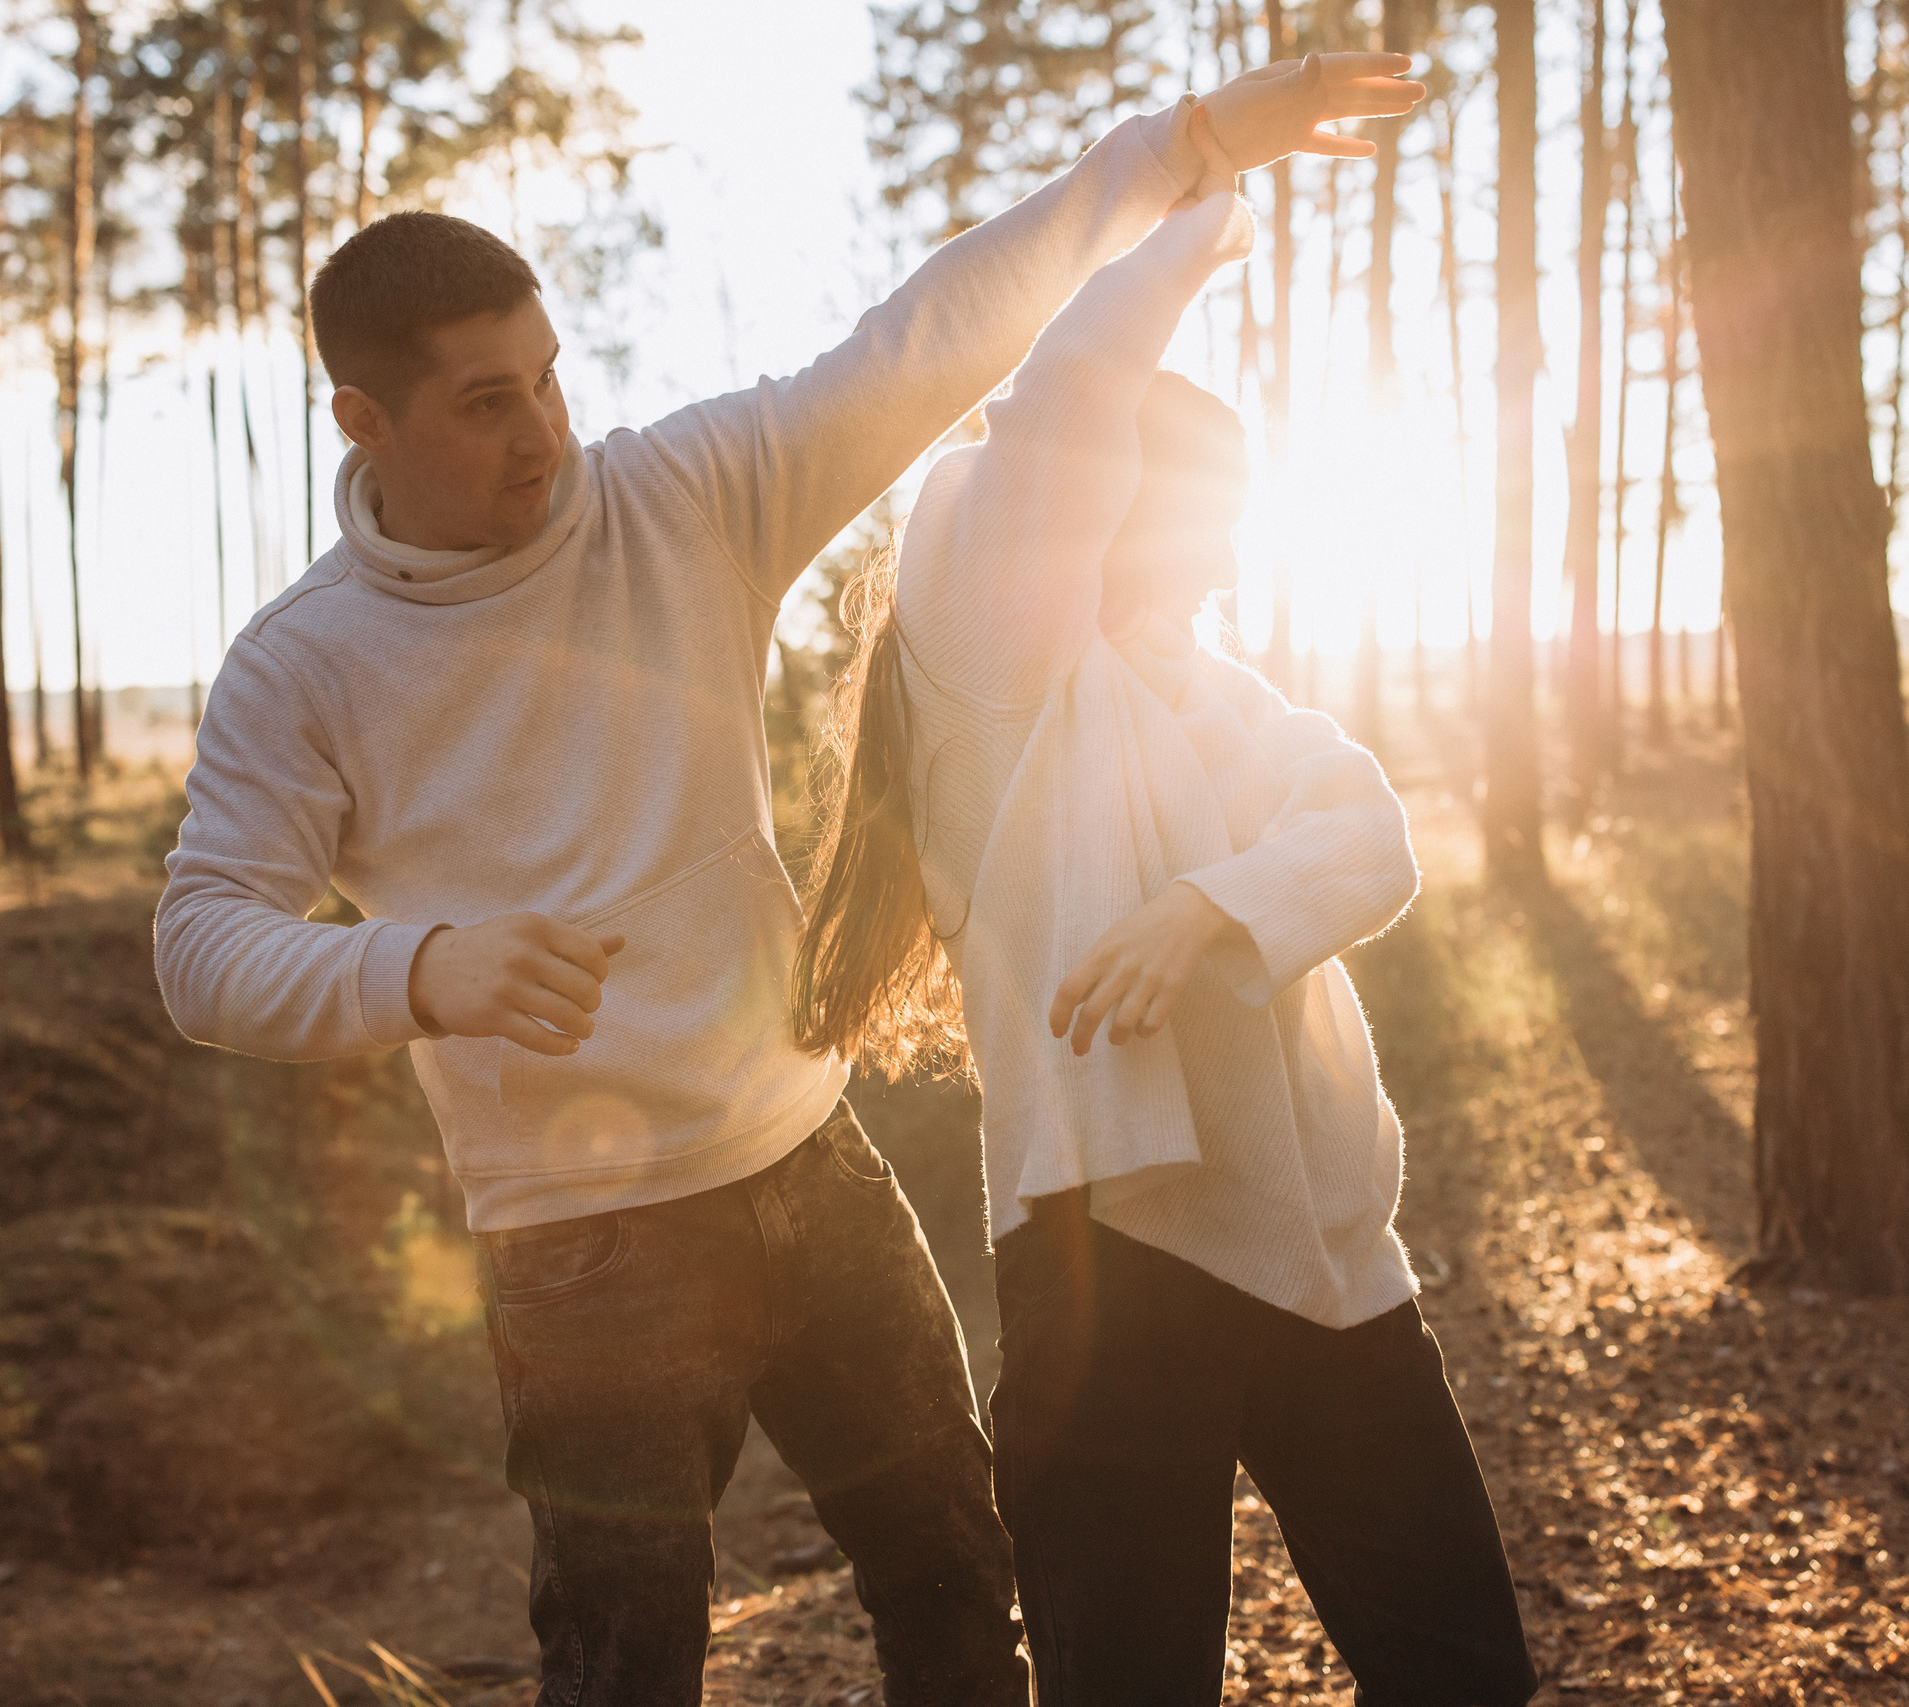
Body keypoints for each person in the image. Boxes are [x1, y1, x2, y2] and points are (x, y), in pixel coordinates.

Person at [152, 49, 1430, 1707]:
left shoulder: (678, 497)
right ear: (363, 421)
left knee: (963, 1575)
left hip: (807, 1160)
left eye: (547, 377)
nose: (544, 430)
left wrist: (1181, 150)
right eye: (485, 403)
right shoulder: (304, 666)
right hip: (583, 1244)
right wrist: (419, 967)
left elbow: (928, 333)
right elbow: (202, 947)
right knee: (626, 1663)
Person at [791, 128, 1537, 1706]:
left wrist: (1208, 908)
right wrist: (1193, 220)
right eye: (1204, 501)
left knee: (1463, 1670)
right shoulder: (998, 674)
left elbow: (1367, 836)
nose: (1230, 538)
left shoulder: (1238, 705)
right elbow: (1059, 403)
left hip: (1331, 1255)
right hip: (1108, 1265)